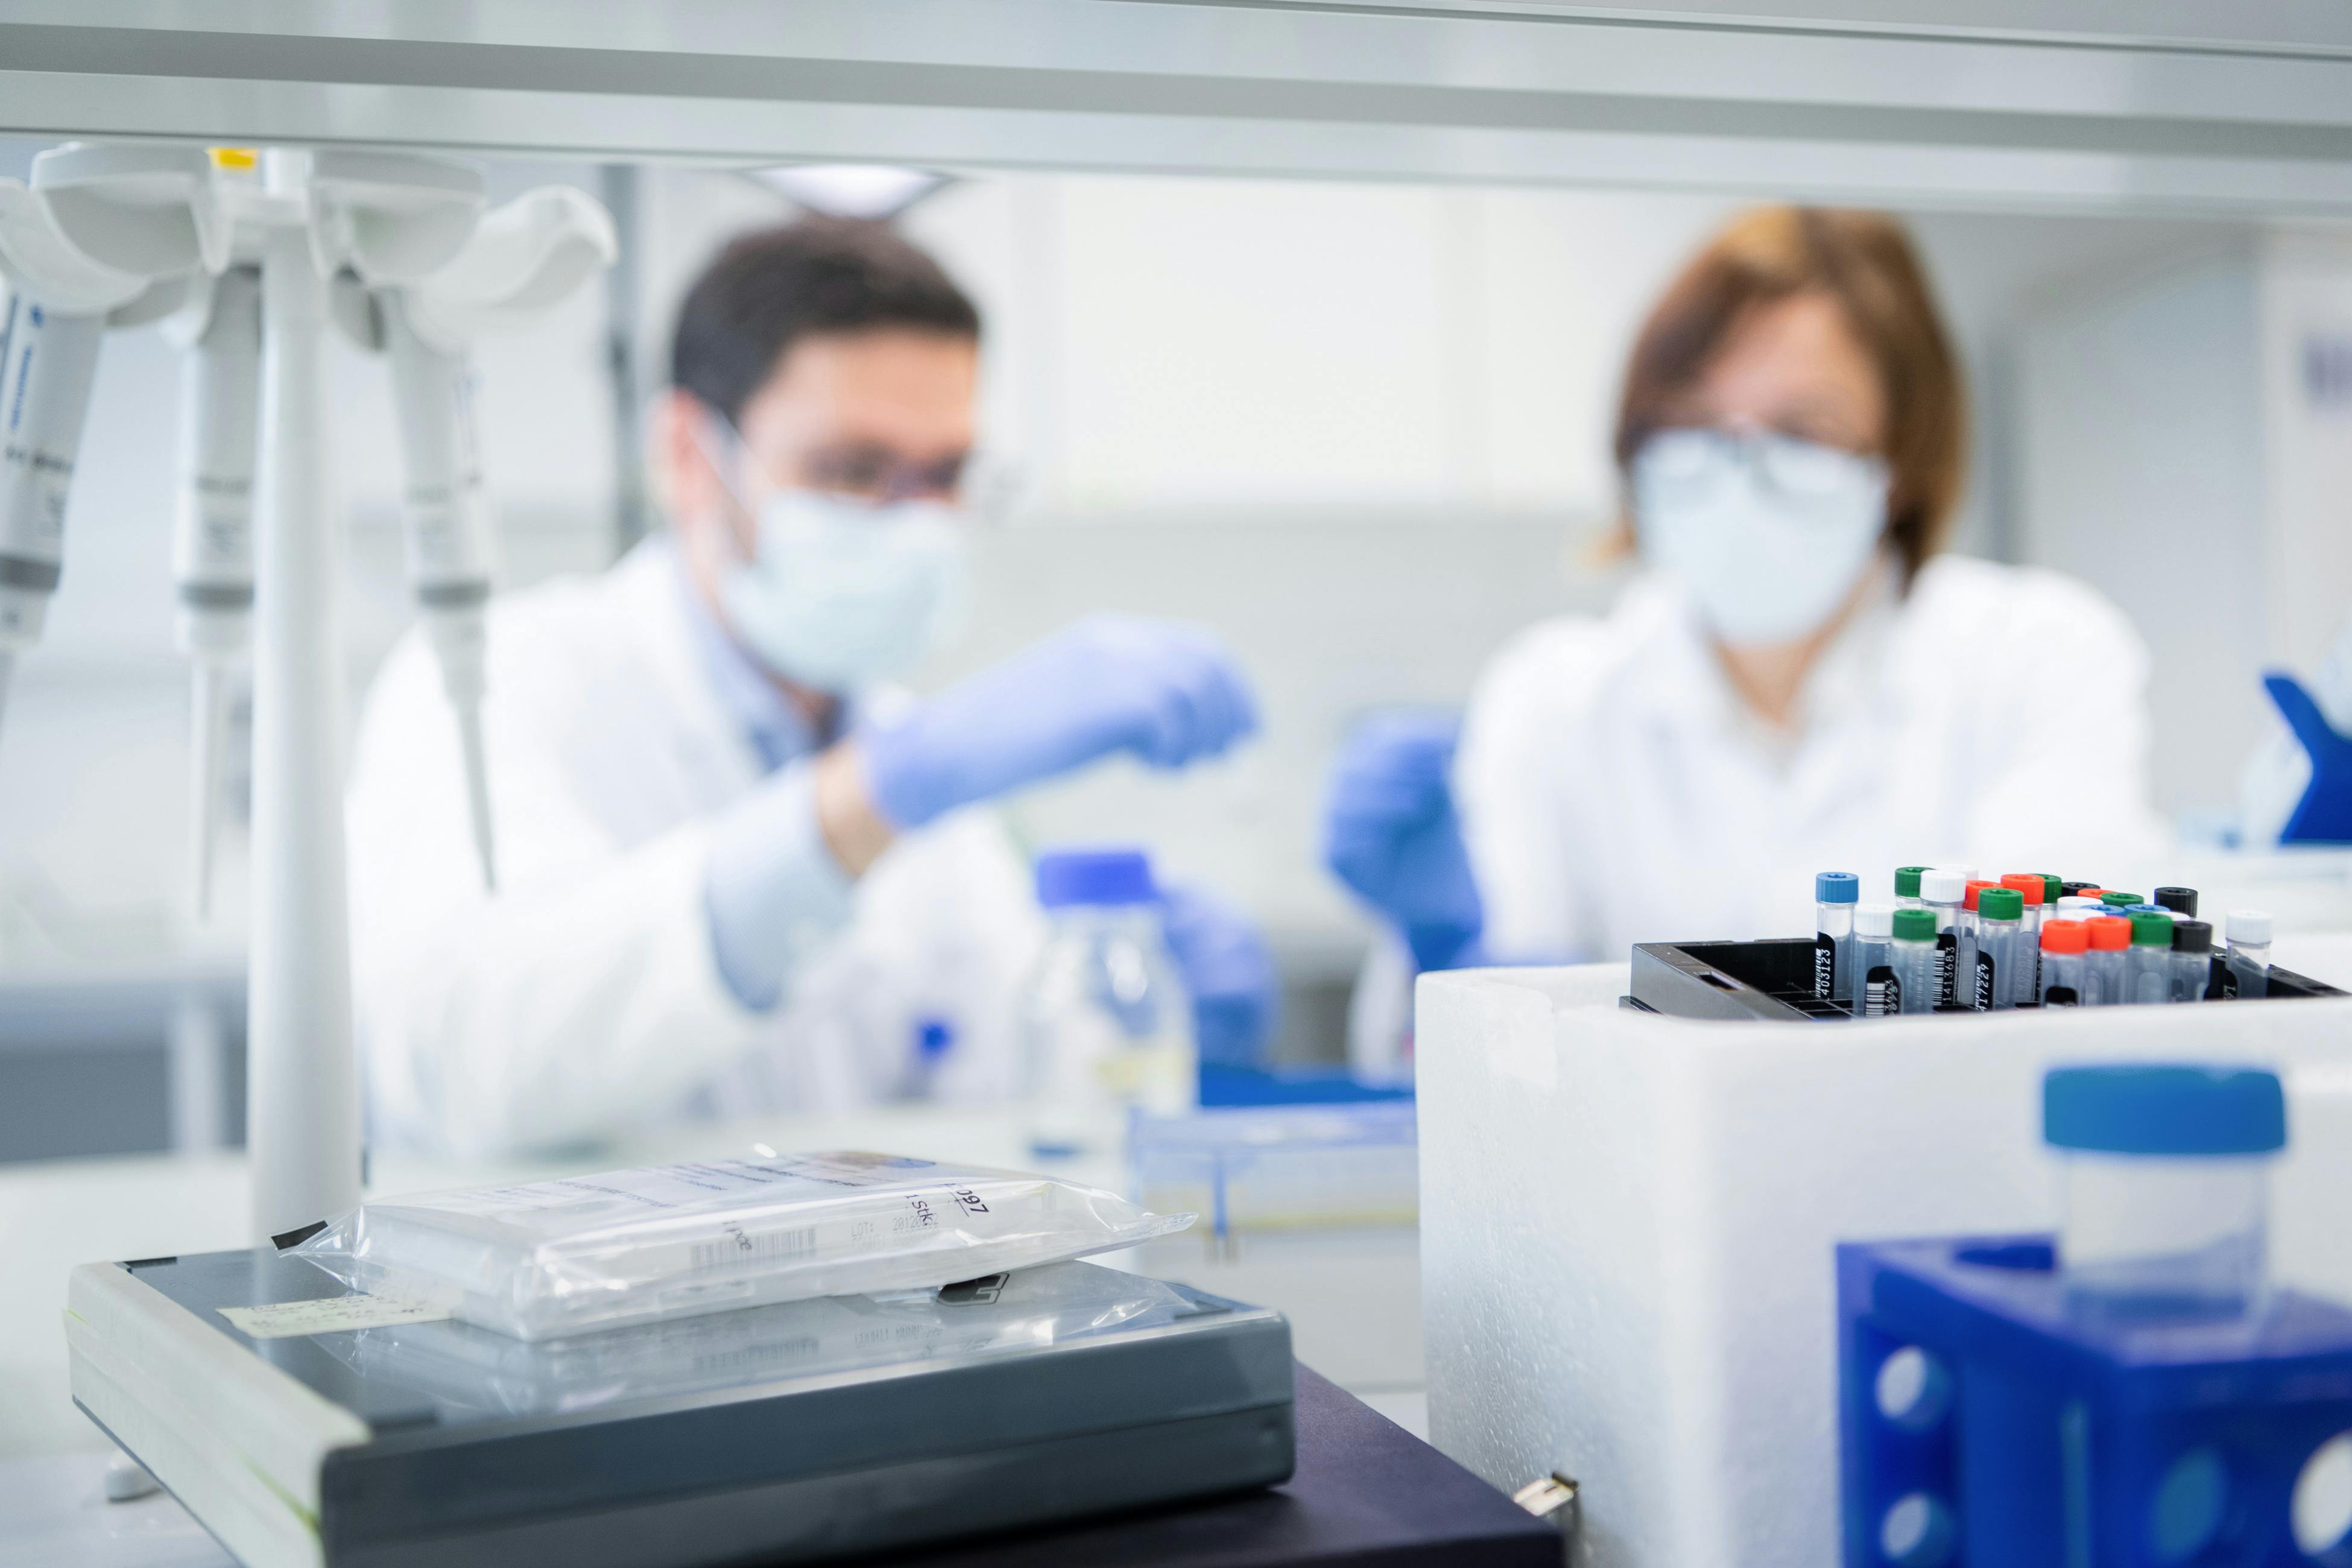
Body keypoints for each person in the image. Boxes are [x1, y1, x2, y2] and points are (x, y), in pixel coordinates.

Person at [349, 217, 1272, 1155]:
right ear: (687, 457)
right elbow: (468, 1062)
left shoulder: (907, 756)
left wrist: (1131, 1015)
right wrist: (858, 806)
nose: (913, 523)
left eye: (944, 475)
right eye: (853, 470)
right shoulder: (500, 681)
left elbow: (1009, 1115)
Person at [1325, 206, 2167, 994]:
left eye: (1802, 431)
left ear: (1904, 458)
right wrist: (1447, 947)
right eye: (1692, 421)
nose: (1737, 472)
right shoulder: (1554, 699)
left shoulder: (2034, 657)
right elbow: (1493, 1048)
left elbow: (2061, 992)